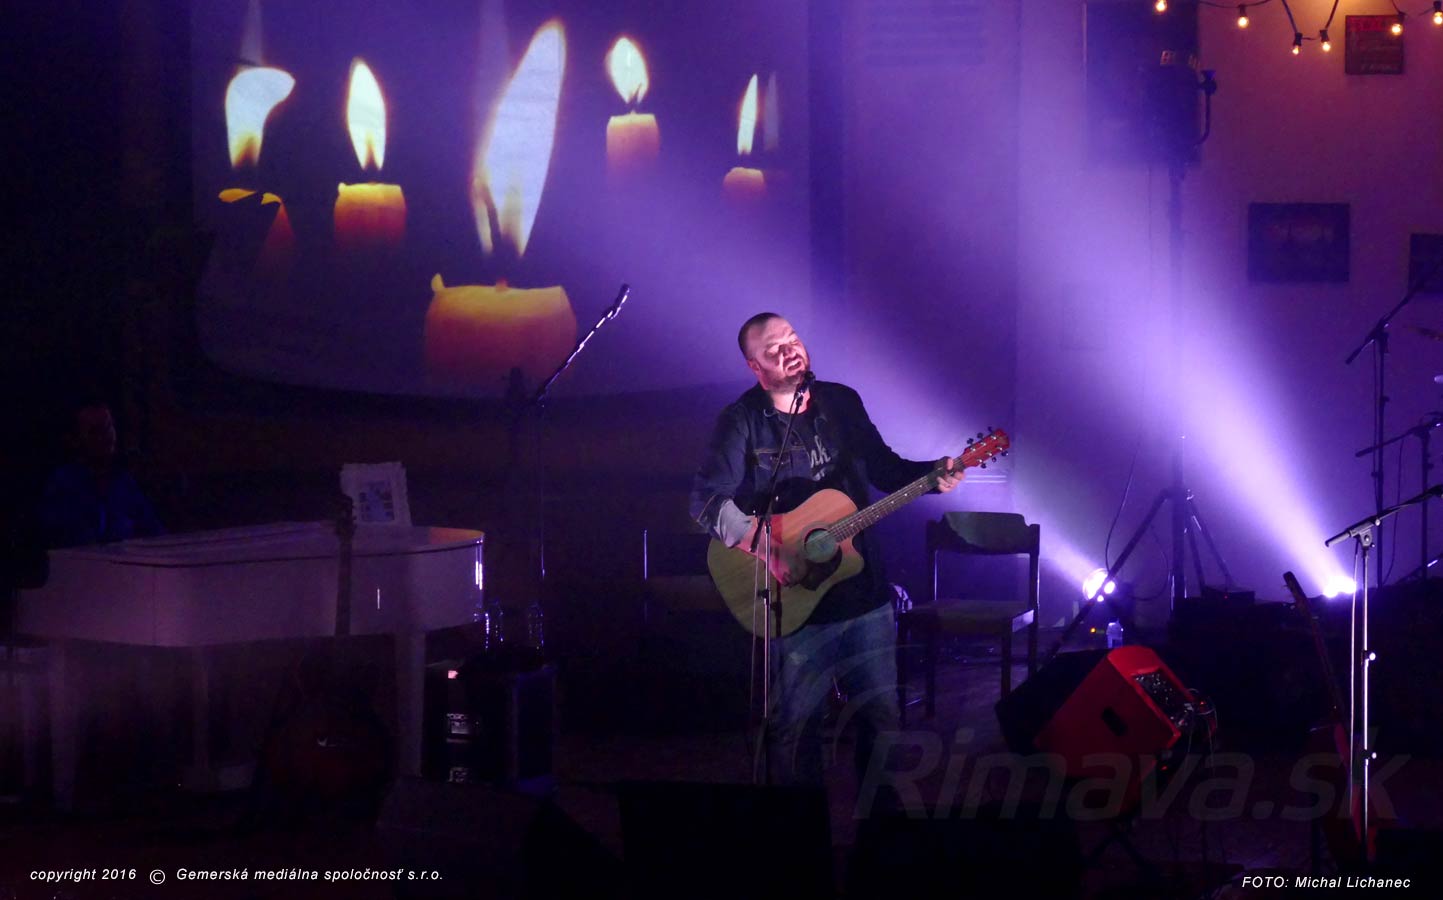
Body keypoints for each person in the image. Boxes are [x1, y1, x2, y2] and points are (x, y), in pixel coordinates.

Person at [690, 313, 963, 794]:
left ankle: (883, 828)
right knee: (796, 730)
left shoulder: (841, 402)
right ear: (755, 366)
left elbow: (884, 467)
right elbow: (706, 502)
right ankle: (801, 832)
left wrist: (931, 475)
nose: (790, 351)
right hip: (794, 605)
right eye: (774, 349)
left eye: (792, 339)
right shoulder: (742, 421)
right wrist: (769, 549)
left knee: (882, 719)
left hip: (862, 591)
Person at [39, 401, 163, 548]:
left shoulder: (124, 482)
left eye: (109, 427)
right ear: (76, 440)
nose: (106, 435)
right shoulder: (62, 484)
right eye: (95, 431)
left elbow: (154, 531)